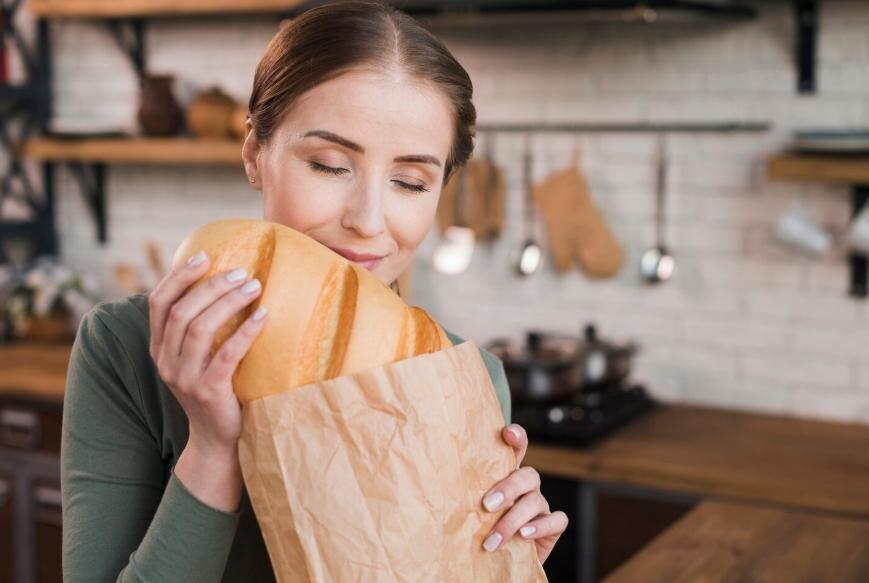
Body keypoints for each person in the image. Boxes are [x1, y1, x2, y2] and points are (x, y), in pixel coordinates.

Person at [61, 1, 568, 580]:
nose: (369, 220)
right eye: (329, 165)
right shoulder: (125, 347)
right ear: (255, 153)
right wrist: (214, 445)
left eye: (410, 181)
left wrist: (490, 563)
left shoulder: (465, 377)